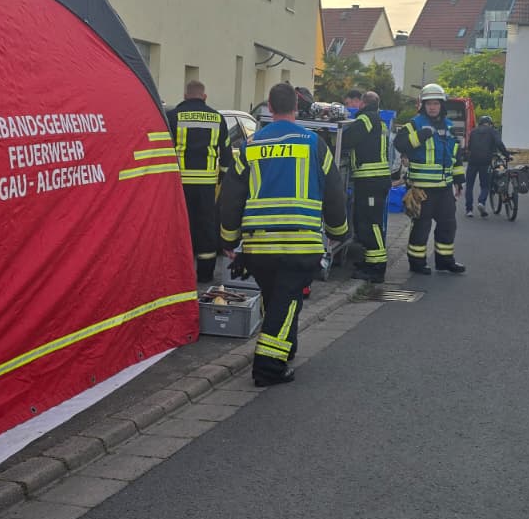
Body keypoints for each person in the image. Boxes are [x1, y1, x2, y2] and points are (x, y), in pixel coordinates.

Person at [219, 83, 348, 387]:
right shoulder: (314, 144)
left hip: (258, 245)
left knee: (275, 297)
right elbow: (334, 193)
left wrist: (228, 239)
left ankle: (285, 349)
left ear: (269, 108)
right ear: (296, 108)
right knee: (286, 301)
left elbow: (230, 198)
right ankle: (268, 368)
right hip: (300, 243)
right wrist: (338, 232)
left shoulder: (251, 146)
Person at [395, 83, 466, 275]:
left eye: (436, 103)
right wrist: (419, 136)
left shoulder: (449, 126)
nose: (432, 107)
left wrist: (459, 180)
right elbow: (399, 143)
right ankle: (417, 263)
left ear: (442, 105)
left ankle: (445, 261)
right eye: (429, 104)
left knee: (448, 225)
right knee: (421, 227)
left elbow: (456, 155)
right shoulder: (414, 124)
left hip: (444, 188)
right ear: (423, 105)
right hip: (421, 188)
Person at [167, 80, 232, 282]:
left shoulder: (172, 117)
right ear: (204, 97)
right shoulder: (217, 118)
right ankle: (205, 274)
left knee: (179, 227)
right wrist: (221, 178)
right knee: (206, 227)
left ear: (185, 96)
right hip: (207, 186)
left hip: (179, 185)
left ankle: (178, 273)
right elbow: (227, 154)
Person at [344, 89, 390, 283]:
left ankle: (377, 268)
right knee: (364, 222)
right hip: (371, 180)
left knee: (371, 224)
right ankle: (369, 262)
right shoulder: (377, 119)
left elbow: (348, 140)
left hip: (371, 180)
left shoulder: (366, 119)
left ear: (361, 103)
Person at [464, 115, 508, 217]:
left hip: (472, 161)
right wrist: (507, 154)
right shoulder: (492, 131)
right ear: (490, 123)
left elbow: (469, 146)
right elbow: (499, 143)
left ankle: (469, 210)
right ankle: (481, 202)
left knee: (469, 186)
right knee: (485, 185)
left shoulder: (473, 132)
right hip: (486, 162)